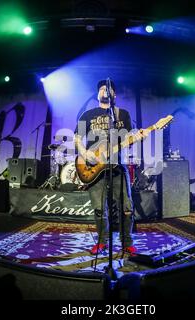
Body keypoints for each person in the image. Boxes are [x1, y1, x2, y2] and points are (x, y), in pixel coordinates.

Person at [74, 80, 145, 255]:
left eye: (109, 89)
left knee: (127, 207)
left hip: (117, 167)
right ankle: (101, 242)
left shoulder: (123, 114)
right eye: (102, 89)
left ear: (115, 95)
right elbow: (77, 138)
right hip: (93, 167)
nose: (105, 90)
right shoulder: (87, 114)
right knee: (99, 209)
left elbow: (129, 137)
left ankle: (126, 242)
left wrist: (138, 137)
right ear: (98, 94)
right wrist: (84, 153)